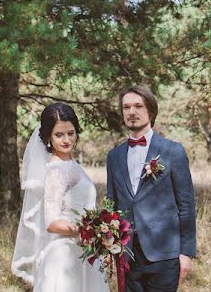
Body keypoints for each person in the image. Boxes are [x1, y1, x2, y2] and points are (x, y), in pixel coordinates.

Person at [106, 85, 197, 292]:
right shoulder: (114, 156)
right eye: (126, 107)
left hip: (165, 254)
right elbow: (112, 203)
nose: (132, 112)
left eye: (138, 106)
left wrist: (186, 253)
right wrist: (111, 246)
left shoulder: (172, 151)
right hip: (126, 253)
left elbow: (186, 205)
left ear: (151, 110)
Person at [11, 102, 108, 292]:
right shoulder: (56, 170)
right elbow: (52, 223)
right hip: (64, 254)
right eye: (59, 134)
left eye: (70, 133)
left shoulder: (71, 163)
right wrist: (91, 231)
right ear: (48, 137)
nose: (66, 140)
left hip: (83, 251)